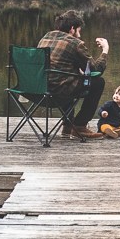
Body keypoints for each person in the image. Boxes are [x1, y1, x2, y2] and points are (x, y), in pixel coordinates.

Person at [37, 9, 109, 141]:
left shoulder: (45, 37)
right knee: (98, 82)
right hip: (59, 92)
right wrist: (105, 50)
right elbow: (96, 70)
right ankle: (80, 126)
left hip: (38, 90)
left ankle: (68, 125)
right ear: (72, 28)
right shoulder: (75, 43)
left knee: (68, 77)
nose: (79, 35)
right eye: (79, 30)